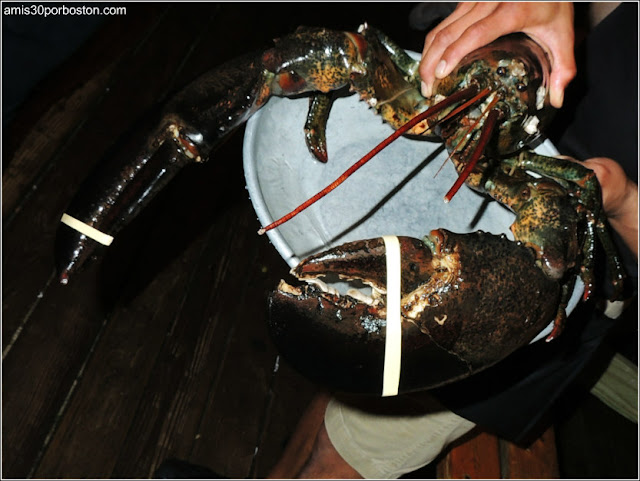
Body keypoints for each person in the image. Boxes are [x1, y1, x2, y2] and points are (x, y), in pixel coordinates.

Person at [155, 3, 637, 478]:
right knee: (342, 392)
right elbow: (357, 52)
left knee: (351, 452)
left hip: (508, 308)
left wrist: (621, 200)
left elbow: (565, 250)